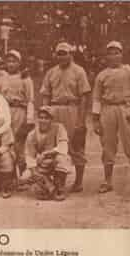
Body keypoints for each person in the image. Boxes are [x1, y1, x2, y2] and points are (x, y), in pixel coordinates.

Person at [92, 41, 130, 194]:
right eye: (110, 53)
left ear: (121, 54)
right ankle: (107, 181)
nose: (113, 56)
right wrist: (95, 119)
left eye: (116, 52)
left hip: (127, 108)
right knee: (107, 145)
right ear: (106, 56)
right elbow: (97, 99)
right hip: (108, 109)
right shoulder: (102, 75)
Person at [40, 42, 91, 193]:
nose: (62, 56)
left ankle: (79, 181)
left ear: (71, 54)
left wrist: (81, 120)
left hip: (72, 108)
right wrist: (45, 112)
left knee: (76, 145)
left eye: (65, 53)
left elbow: (84, 97)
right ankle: (56, 181)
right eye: (59, 53)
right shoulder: (51, 72)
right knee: (53, 144)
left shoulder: (79, 71)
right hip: (55, 109)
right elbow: (46, 95)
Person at [24, 106, 70, 201]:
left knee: (63, 159)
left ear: (51, 119)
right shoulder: (32, 134)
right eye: (41, 117)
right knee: (25, 178)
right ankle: (47, 184)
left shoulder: (59, 127)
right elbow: (29, 156)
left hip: (54, 160)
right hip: (42, 163)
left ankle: (59, 187)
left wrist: (46, 153)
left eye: (46, 118)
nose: (43, 120)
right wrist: (35, 174)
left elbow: (63, 147)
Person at [1, 49, 35, 178]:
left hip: (20, 111)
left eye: (14, 61)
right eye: (8, 61)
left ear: (19, 63)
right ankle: (10, 176)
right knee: (7, 143)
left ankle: (23, 176)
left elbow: (30, 100)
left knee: (20, 144)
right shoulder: (3, 77)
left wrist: (29, 119)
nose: (11, 64)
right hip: (6, 112)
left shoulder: (25, 79)